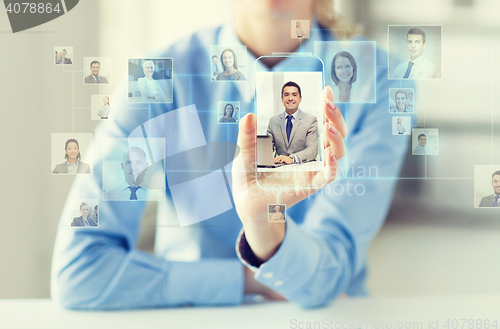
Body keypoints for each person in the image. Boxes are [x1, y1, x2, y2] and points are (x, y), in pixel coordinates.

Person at [52, 0, 410, 310]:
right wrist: (249, 280)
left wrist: (263, 226)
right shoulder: (156, 79)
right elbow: (79, 273)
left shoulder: (381, 81)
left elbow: (326, 278)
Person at [266, 81, 318, 164]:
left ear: (300, 99)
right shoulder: (273, 121)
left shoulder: (310, 120)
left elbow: (312, 150)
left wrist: (292, 158)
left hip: (303, 169)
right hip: (280, 169)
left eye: (294, 95)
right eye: (286, 95)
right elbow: (267, 150)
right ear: (282, 98)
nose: (290, 98)